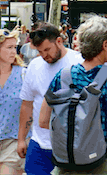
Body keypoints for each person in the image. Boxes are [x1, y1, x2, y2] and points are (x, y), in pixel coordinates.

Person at [39, 16, 107, 175]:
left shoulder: (63, 76)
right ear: (105, 45)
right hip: (102, 162)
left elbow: (43, 120)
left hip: (67, 163)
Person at [17, 23, 83, 175]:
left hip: (70, 147)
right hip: (39, 145)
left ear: (59, 41)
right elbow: (27, 104)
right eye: (40, 51)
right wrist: (21, 139)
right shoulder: (34, 66)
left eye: (47, 50)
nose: (44, 55)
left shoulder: (78, 63)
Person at [0, 29, 27, 175]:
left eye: (14, 47)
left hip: (13, 141)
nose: (13, 52)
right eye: (9, 48)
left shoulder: (24, 75)